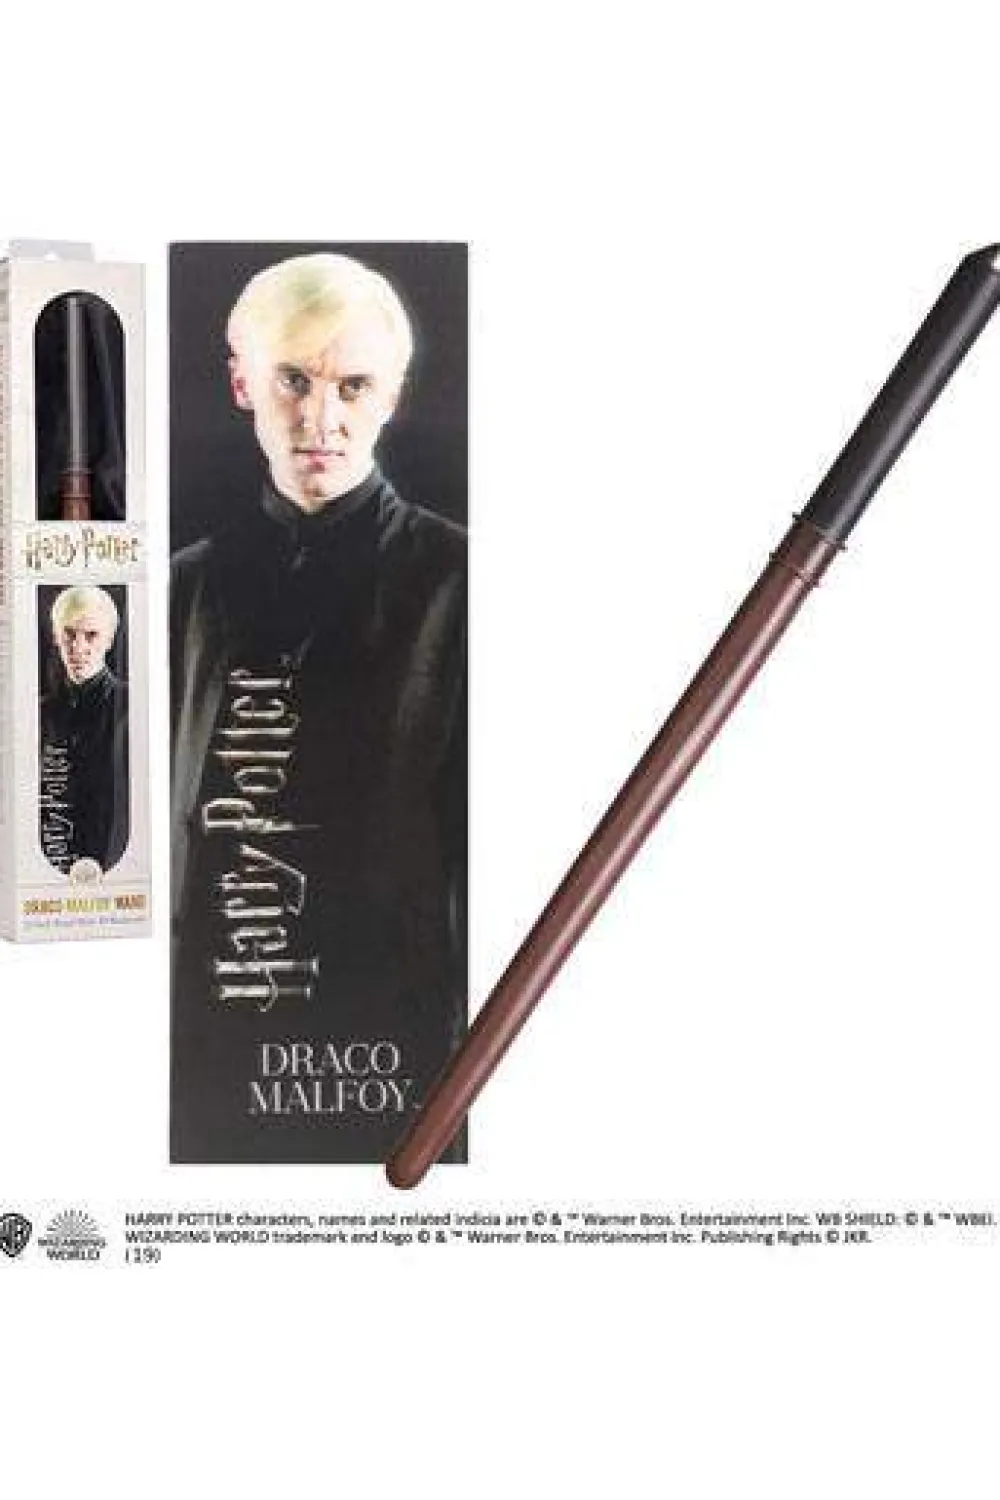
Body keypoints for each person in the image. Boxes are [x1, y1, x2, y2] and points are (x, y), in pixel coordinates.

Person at [170, 251, 467, 1163]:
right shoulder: (179, 589)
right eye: (292, 379)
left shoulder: (464, 581)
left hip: (401, 1046)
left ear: (392, 394)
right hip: (206, 1049)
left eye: (353, 385)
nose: (319, 419)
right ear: (242, 382)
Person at [40, 584, 129, 874]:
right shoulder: (40, 712)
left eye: (91, 635)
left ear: (109, 640)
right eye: (69, 634)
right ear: (56, 637)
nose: (78, 648)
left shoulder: (132, 706)